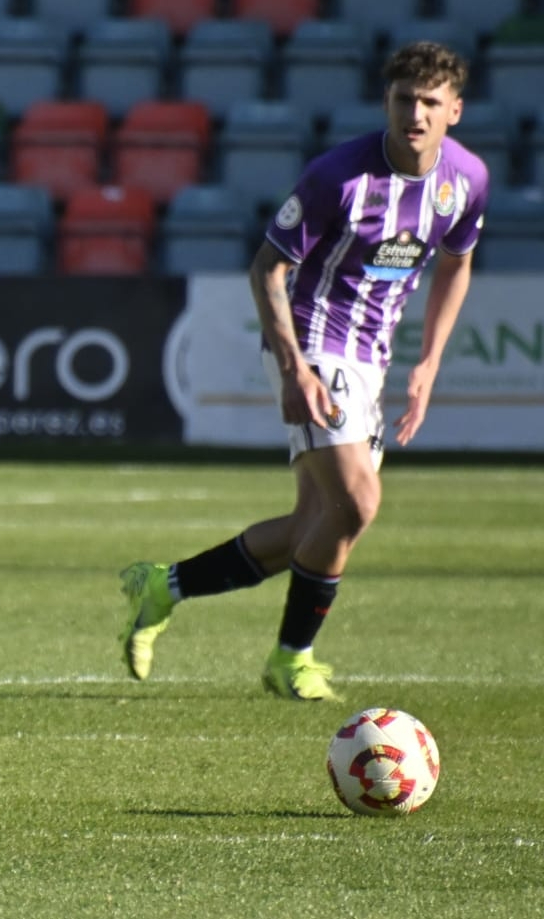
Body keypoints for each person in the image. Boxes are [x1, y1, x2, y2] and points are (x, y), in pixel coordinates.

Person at [119, 41, 488, 702]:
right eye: (404, 99)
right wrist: (295, 369)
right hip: (315, 343)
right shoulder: (338, 177)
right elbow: (267, 269)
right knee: (357, 503)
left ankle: (162, 586)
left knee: (313, 526)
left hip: (371, 359)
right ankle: (292, 658)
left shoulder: (467, 180)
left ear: (454, 110)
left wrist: (430, 360)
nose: (416, 114)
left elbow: (457, 264)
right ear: (386, 101)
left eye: (431, 102)